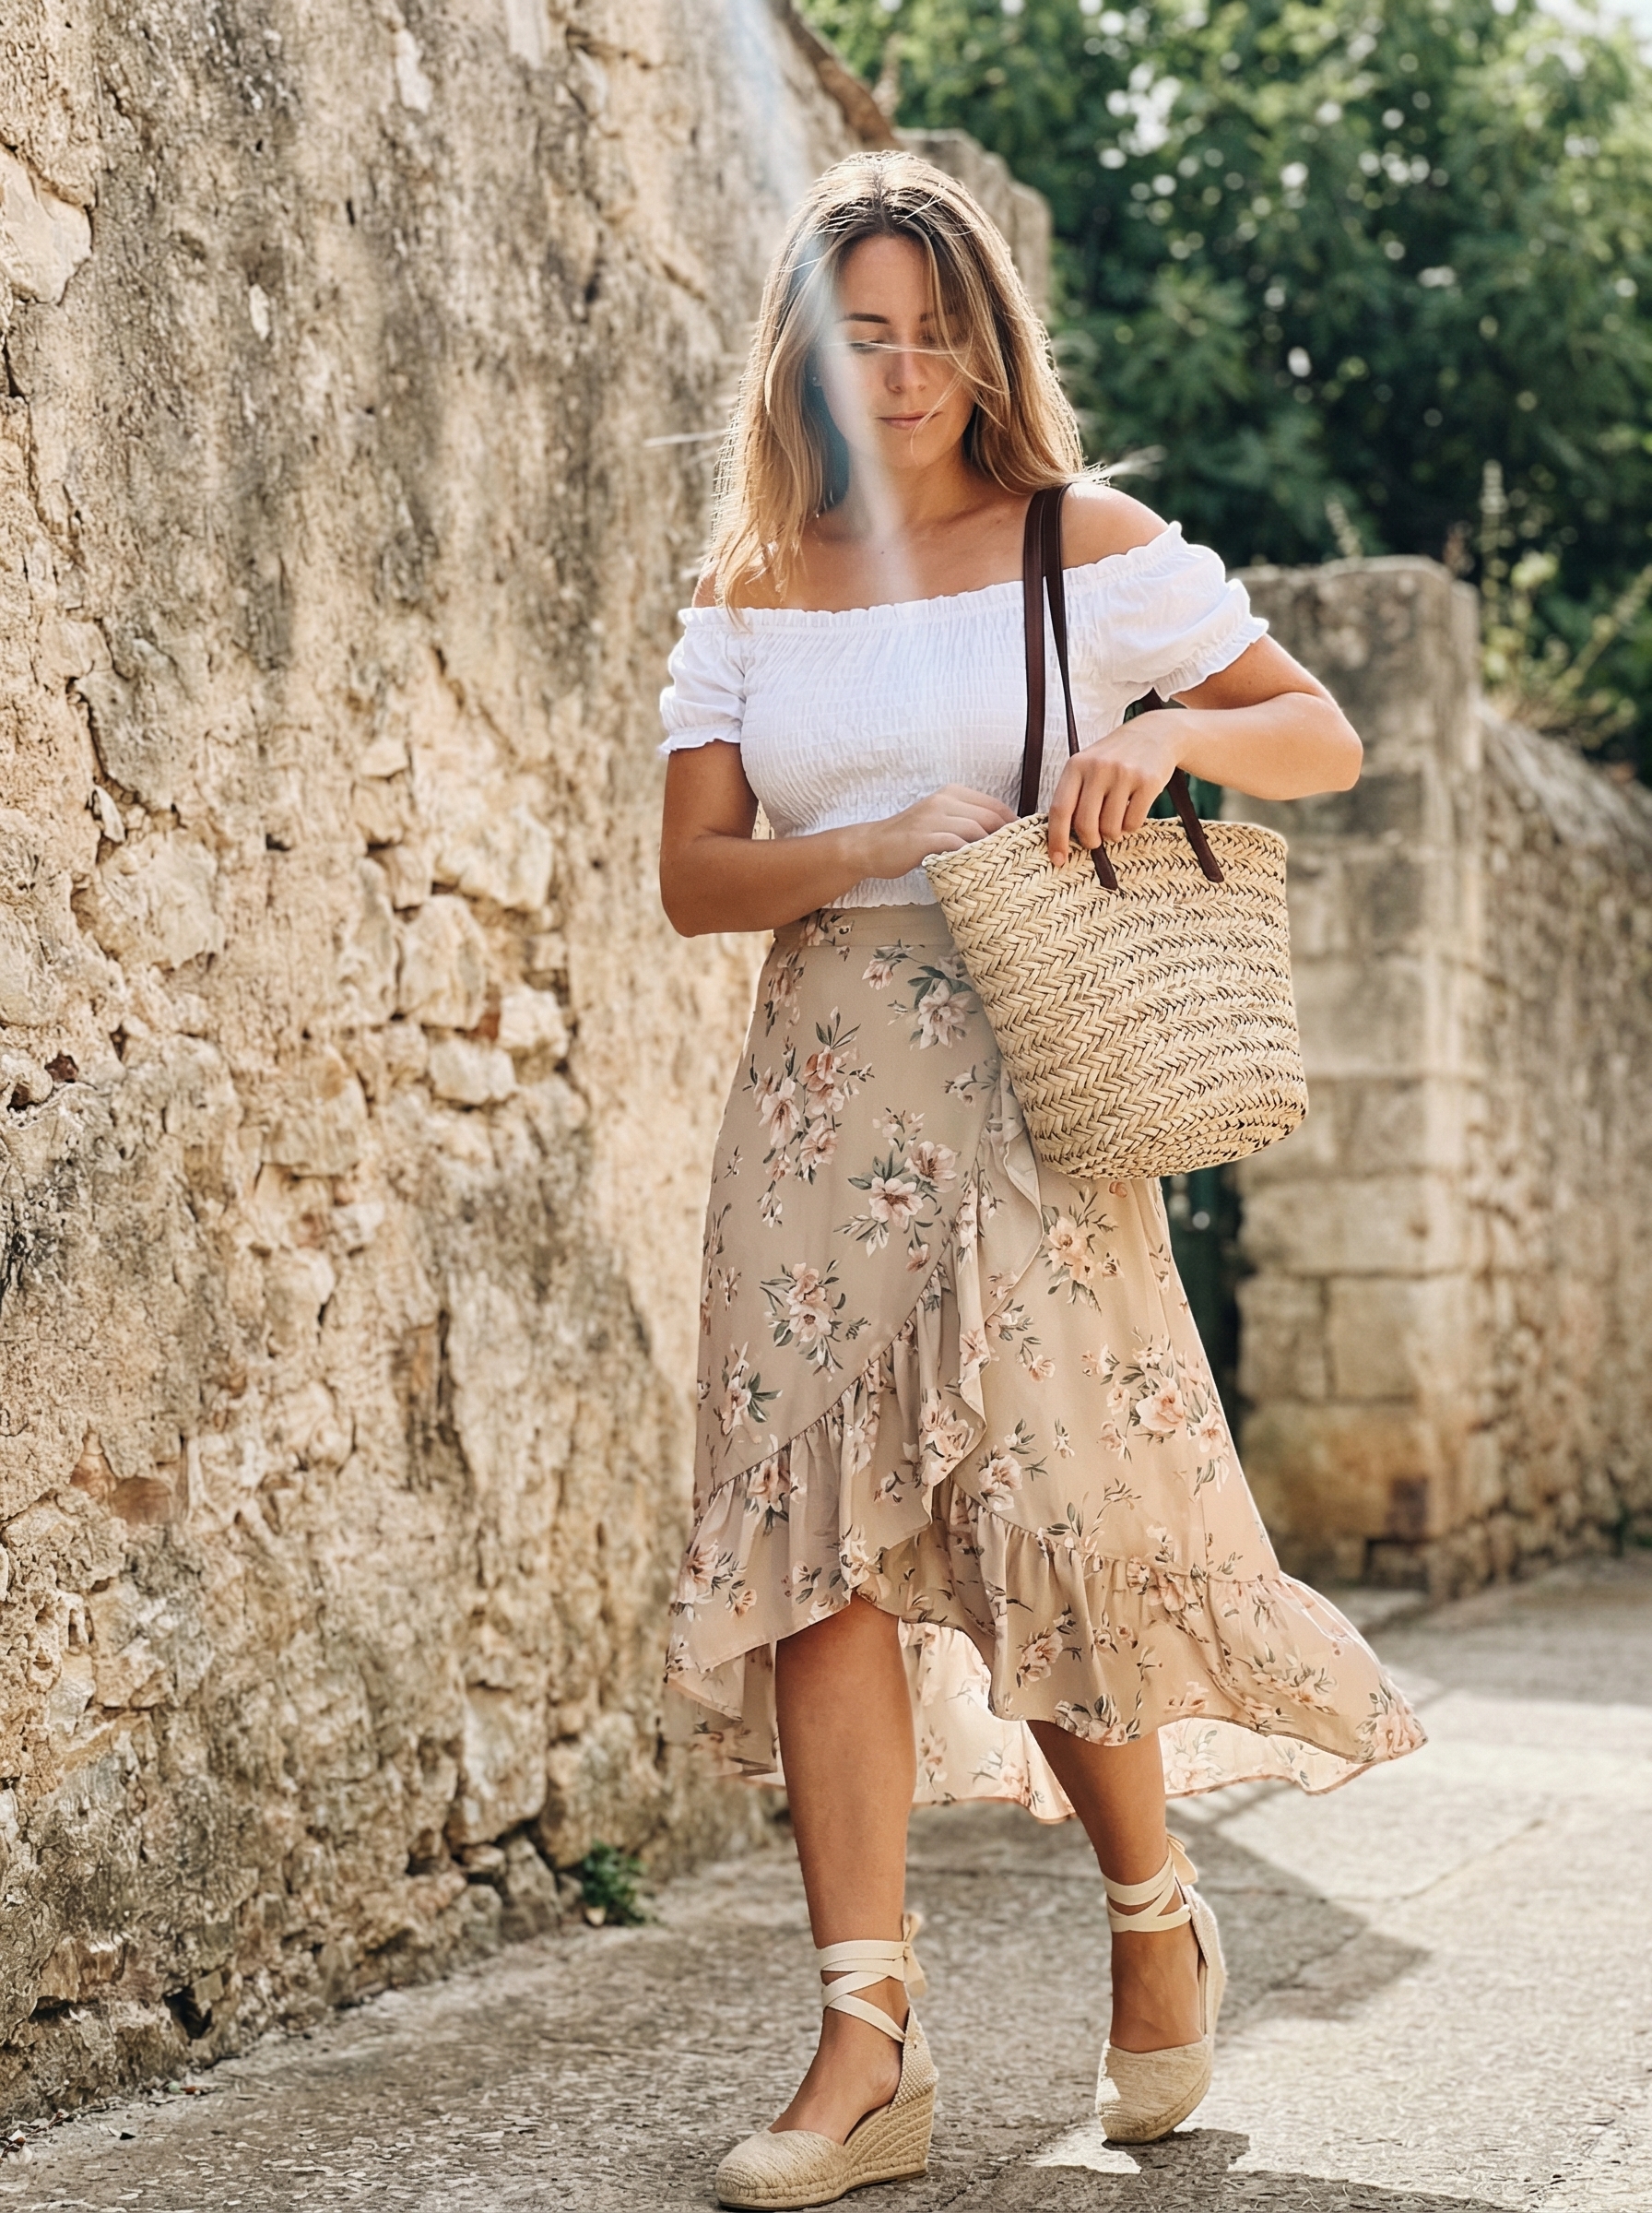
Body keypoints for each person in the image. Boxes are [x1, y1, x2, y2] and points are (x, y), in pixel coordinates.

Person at [656, 151, 1423, 2212]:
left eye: (933, 331)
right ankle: (861, 2047)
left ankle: (1154, 1907)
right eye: (862, 337)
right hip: (815, 1094)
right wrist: (865, 841)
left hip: (1019, 1079)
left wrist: (1163, 731)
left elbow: (1322, 737)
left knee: (1045, 1529)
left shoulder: (1077, 544)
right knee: (809, 1549)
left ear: (985, 343)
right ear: (806, 361)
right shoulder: (748, 580)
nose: (900, 372)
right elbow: (690, 878)